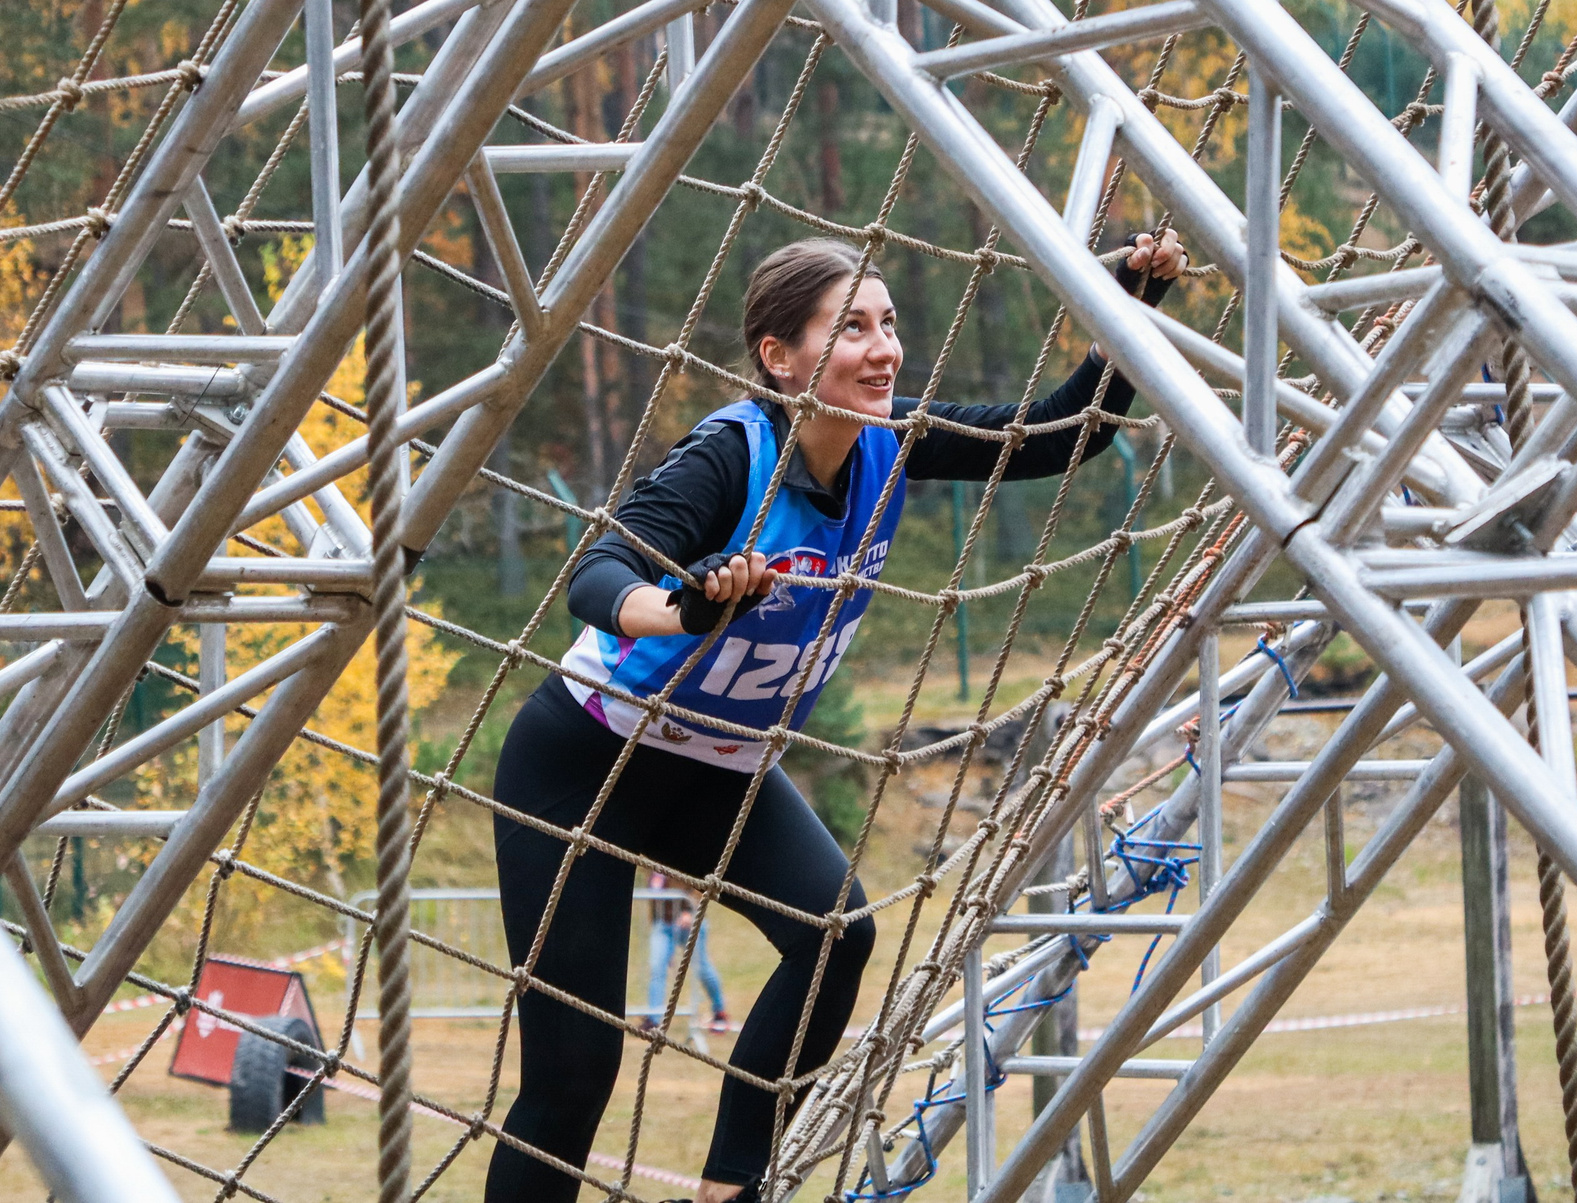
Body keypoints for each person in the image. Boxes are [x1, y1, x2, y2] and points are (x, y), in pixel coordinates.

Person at [489, 230, 1185, 1203]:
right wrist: (686, 607)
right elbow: (598, 575)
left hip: (720, 770)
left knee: (833, 933)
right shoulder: (731, 458)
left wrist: (1132, 302)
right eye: (850, 327)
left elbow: (1063, 434)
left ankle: (731, 1185)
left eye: (889, 324)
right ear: (779, 356)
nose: (883, 348)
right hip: (585, 764)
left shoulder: (889, 442)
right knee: (574, 1070)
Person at [642, 870, 731, 1034]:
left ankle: (720, 1011)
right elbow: (654, 900)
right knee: (657, 968)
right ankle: (653, 1020)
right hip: (663, 925)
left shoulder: (677, 858)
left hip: (690, 922)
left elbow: (702, 884)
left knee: (702, 968)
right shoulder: (648, 869)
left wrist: (690, 911)